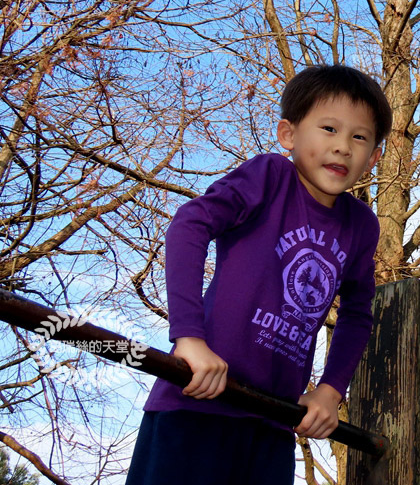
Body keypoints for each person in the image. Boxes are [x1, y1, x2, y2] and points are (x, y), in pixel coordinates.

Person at [126, 64, 392, 485]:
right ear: (289, 134)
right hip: (198, 405)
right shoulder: (270, 177)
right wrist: (189, 338)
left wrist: (330, 390)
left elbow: (358, 312)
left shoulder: (361, 226)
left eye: (359, 137)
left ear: (374, 156)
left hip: (272, 423)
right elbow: (190, 225)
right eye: (328, 128)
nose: (342, 147)